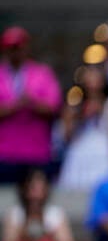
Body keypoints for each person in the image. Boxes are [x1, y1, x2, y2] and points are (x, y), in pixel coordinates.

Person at [0, 26, 62, 183]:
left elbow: (54, 107)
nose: (15, 52)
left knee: (36, 198)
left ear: (26, 47)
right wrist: (15, 105)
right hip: (5, 153)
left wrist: (32, 102)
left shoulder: (42, 74)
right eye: (11, 48)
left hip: (37, 152)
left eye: (18, 47)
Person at [57, 65, 108, 190]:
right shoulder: (73, 106)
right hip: (79, 156)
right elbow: (66, 137)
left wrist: (103, 111)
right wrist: (81, 117)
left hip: (105, 156)